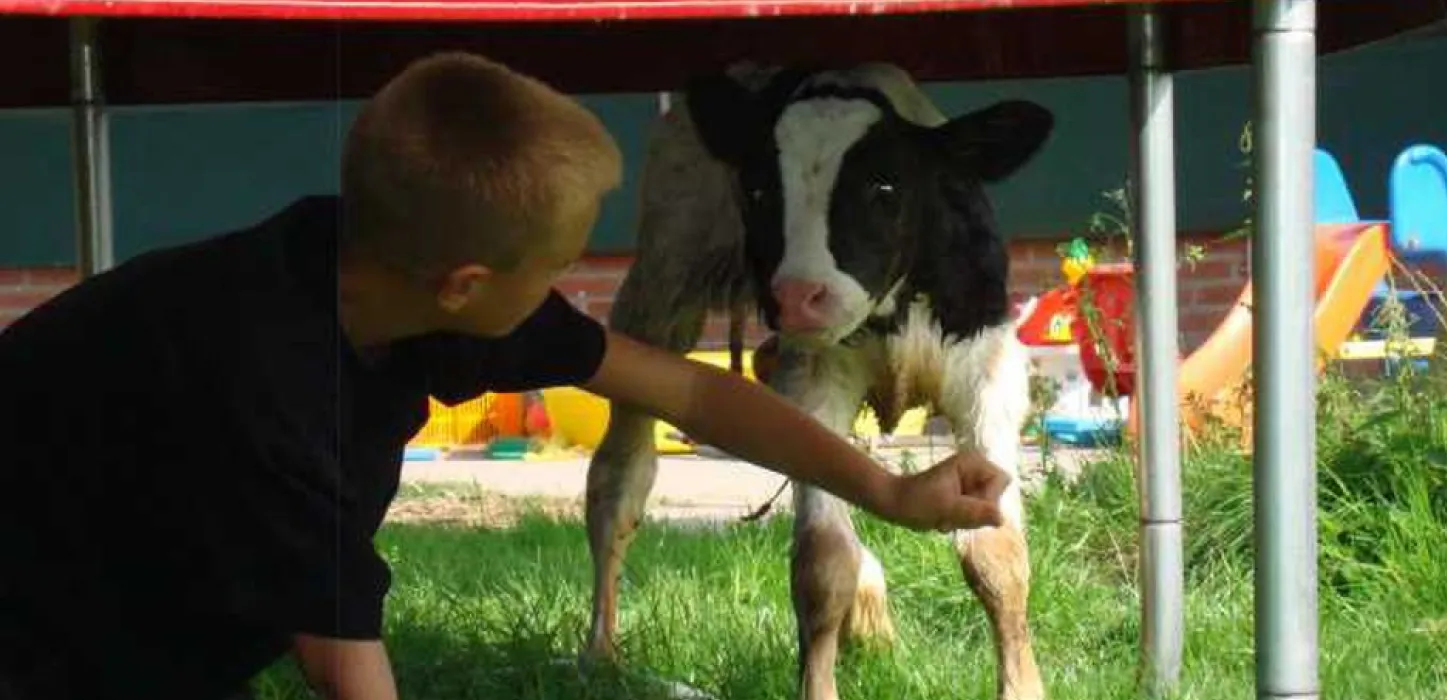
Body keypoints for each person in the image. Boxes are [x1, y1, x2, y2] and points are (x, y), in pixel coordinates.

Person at [0, 52, 1012, 700]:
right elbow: (349, 671)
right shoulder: (273, 397)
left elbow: (688, 390)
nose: (563, 290)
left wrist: (885, 489)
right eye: (555, 265)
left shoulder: (389, 273)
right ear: (467, 284)